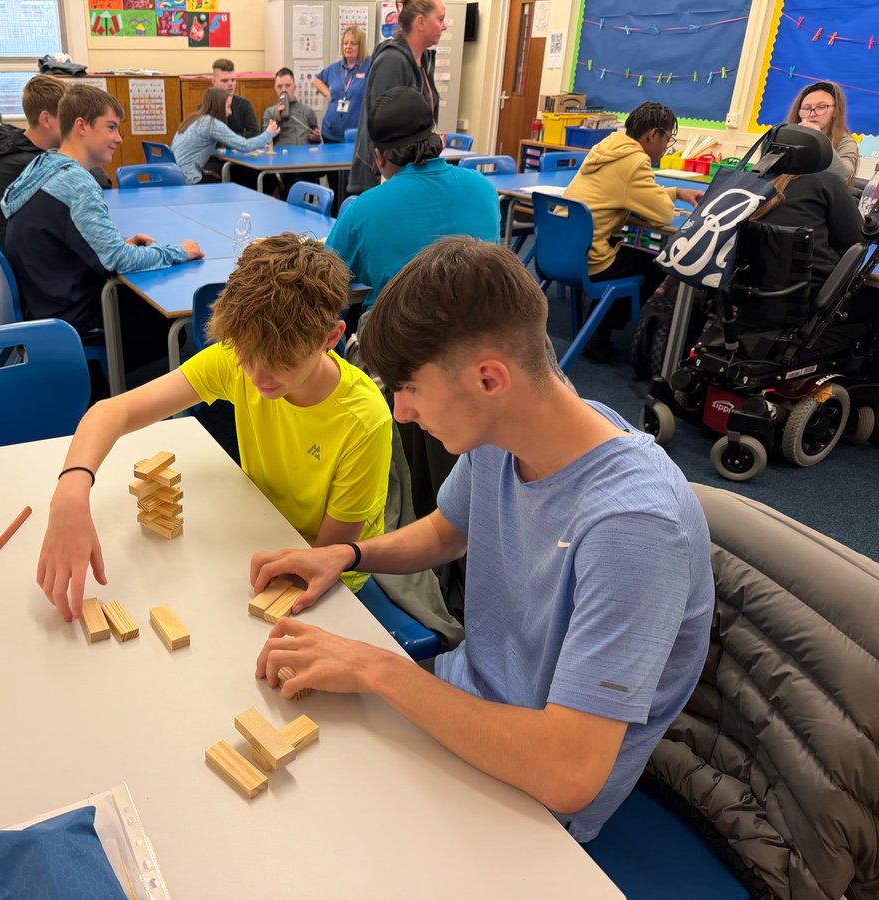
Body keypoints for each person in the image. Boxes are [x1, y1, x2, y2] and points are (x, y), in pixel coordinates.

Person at [251, 237, 715, 843]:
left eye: (410, 388)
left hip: (531, 799)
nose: (400, 413)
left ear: (489, 377)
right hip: (458, 710)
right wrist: (350, 553)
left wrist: (378, 668)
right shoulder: (509, 431)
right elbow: (449, 531)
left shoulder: (635, 527)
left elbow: (566, 772)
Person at [37, 233, 393, 621]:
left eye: (282, 362)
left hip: (329, 574)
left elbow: (324, 559)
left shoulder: (363, 420)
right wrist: (70, 491)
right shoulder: (239, 361)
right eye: (246, 355)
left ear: (332, 338)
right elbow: (113, 412)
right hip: (262, 527)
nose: (258, 376)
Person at [1, 85, 203, 369]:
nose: (119, 139)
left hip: (43, 300)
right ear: (81, 126)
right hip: (72, 317)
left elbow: (77, 236)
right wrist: (179, 252)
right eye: (111, 128)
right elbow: (117, 260)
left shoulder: (44, 164)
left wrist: (119, 241)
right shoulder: (77, 183)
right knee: (166, 328)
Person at [327, 86, 499, 311]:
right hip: (479, 335)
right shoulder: (485, 189)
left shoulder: (364, 209)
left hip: (397, 342)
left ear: (378, 156)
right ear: (436, 139)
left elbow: (325, 279)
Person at [563, 101, 704, 362]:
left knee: (630, 255)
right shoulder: (635, 161)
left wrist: (676, 192)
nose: (666, 146)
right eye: (668, 139)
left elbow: (628, 191)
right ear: (653, 134)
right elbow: (661, 214)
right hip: (590, 258)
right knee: (654, 263)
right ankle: (600, 334)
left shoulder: (607, 148)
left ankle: (598, 329)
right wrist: (669, 198)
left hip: (563, 250)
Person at [0, 75, 110, 244]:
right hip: (36, 258)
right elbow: (100, 182)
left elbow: (102, 183)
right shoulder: (25, 163)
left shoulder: (26, 149)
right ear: (46, 119)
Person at [348, 0, 447, 196]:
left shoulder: (424, 61)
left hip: (411, 175)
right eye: (440, 19)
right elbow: (381, 129)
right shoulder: (392, 61)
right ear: (420, 22)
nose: (444, 25)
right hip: (383, 178)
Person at [171, 87, 278, 184]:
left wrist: (203, 172)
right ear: (219, 107)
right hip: (189, 179)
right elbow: (246, 146)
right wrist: (269, 133)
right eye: (228, 107)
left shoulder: (193, 119)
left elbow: (185, 155)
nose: (230, 112)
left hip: (174, 175)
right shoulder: (211, 124)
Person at [786, 80, 859, 184]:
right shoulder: (787, 135)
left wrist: (820, 140)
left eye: (821, 107)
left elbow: (843, 178)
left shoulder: (846, 142)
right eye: (806, 108)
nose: (812, 114)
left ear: (835, 110)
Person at [313, 26, 371, 143]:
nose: (348, 47)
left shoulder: (369, 66)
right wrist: (327, 94)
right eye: (345, 43)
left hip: (356, 134)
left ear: (361, 46)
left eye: (353, 43)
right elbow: (317, 80)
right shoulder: (336, 67)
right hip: (330, 132)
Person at [262, 68, 321, 146]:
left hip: (304, 154)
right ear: (275, 89)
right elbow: (265, 142)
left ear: (294, 87)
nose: (284, 90)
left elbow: (316, 140)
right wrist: (278, 120)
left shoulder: (308, 111)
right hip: (281, 155)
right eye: (279, 86)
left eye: (288, 86)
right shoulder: (269, 113)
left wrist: (316, 138)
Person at [211, 58, 259, 138]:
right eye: (225, 81)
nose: (231, 84)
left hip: (237, 149)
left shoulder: (244, 104)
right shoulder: (206, 106)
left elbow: (254, 133)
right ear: (214, 82)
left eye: (233, 80)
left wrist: (227, 139)